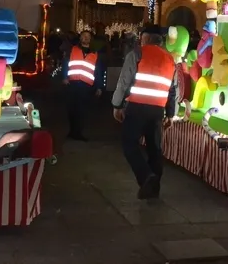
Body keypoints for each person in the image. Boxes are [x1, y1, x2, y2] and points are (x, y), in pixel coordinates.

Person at [113, 25, 179, 199]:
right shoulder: (170, 59)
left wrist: (117, 105)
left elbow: (124, 82)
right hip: (157, 110)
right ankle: (154, 188)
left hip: (137, 106)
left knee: (129, 143)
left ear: (146, 38)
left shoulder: (136, 54)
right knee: (154, 148)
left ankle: (146, 177)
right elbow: (172, 89)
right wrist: (170, 114)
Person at [61, 30, 104, 141]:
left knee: (81, 110)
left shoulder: (95, 54)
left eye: (88, 36)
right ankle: (72, 131)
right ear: (80, 38)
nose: (86, 38)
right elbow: (65, 64)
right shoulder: (73, 50)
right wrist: (65, 77)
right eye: (84, 36)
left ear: (91, 39)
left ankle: (78, 132)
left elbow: (98, 71)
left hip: (86, 85)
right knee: (71, 108)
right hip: (72, 83)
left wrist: (99, 86)